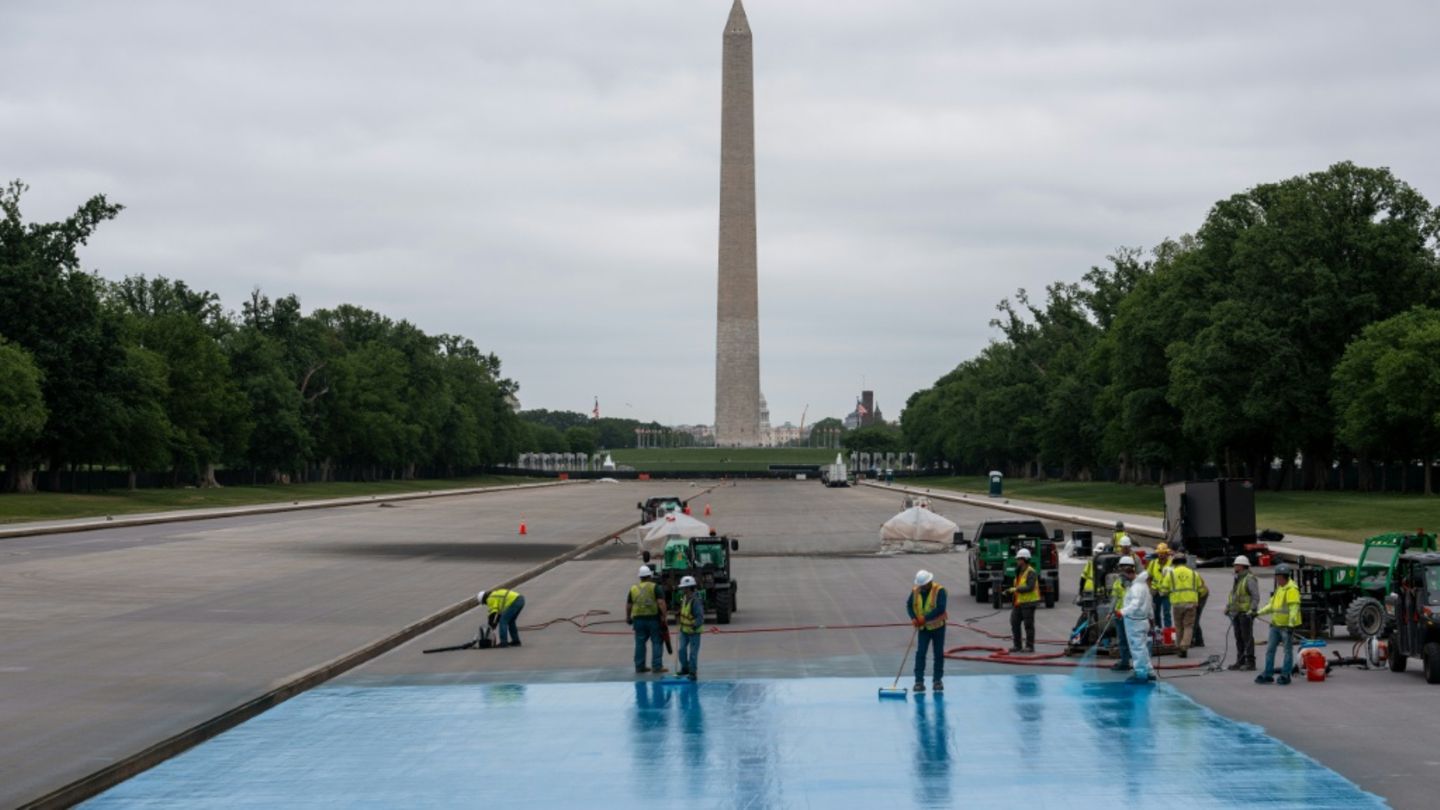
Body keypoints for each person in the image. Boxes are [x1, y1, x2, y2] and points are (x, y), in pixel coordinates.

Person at [1256, 563, 1302, 685]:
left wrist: (1291, 623)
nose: (1276, 579)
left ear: (1284, 577)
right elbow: (1272, 606)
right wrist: (1257, 613)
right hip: (1275, 625)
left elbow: (1294, 608)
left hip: (1286, 627)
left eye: (1278, 577)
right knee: (1270, 650)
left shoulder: (1292, 589)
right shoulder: (1280, 588)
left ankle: (1285, 675)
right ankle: (1268, 674)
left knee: (1287, 651)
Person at [907, 569, 948, 692]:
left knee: (938, 654)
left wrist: (924, 618)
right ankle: (919, 682)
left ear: (929, 582)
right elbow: (909, 605)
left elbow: (941, 608)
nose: (922, 587)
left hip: (938, 627)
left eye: (924, 585)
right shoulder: (915, 591)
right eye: (920, 585)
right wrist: (913, 618)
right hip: (923, 629)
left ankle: (937, 681)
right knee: (921, 653)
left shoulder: (939, 591)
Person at [627, 565, 668, 674]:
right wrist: (664, 616)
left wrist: (628, 617)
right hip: (653, 619)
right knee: (656, 641)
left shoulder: (633, 588)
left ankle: (640, 667)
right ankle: (657, 667)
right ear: (650, 576)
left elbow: (629, 605)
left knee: (640, 643)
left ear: (640, 577)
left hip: (638, 620)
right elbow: (661, 602)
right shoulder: (655, 587)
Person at [1121, 562, 1156, 684]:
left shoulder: (1136, 588)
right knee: (1143, 648)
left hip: (1134, 621)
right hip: (1143, 620)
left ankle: (1141, 673)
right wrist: (1151, 618)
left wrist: (1122, 612)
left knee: (1137, 648)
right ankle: (1149, 671)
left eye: (1125, 576)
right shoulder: (1144, 587)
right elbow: (1149, 605)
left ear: (1131, 574)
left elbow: (1135, 605)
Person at [1225, 555, 1260, 671]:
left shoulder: (1249, 578)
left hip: (1245, 613)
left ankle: (1250, 662)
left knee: (1247, 637)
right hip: (1237, 613)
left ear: (1242, 566)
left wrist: (1252, 610)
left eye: (1236, 565)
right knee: (1238, 637)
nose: (1234, 566)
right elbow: (1234, 596)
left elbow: (1255, 597)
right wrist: (1228, 607)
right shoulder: (1238, 578)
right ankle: (1240, 661)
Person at [1168, 554, 1204, 657]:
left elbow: (1164, 588)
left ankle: (1179, 647)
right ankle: (1185, 645)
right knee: (1188, 626)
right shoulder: (1193, 574)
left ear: (1175, 563)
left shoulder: (1171, 574)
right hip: (1191, 603)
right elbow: (1201, 588)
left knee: (1179, 626)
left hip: (1177, 604)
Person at [1005, 548, 1041, 653]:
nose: (1017, 561)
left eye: (1018, 559)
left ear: (1024, 559)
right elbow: (1018, 585)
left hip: (1029, 603)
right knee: (1014, 622)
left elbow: (1030, 587)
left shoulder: (1031, 572)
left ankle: (1030, 646)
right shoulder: (1019, 571)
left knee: (1028, 625)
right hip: (1019, 602)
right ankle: (1017, 645)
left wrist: (1016, 589)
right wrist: (1010, 591)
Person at [1108, 556, 1136, 671]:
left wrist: (1111, 611)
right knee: (1129, 640)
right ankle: (1129, 662)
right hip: (1126, 615)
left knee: (1126, 640)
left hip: (1125, 615)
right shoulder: (1136, 582)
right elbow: (1115, 599)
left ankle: (1128, 662)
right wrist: (1111, 612)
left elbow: (1114, 599)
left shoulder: (1122, 583)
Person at [676, 575, 704, 681]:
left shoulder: (696, 601)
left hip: (694, 631)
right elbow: (685, 611)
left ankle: (693, 672)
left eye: (684, 587)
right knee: (681, 650)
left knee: (693, 653)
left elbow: (700, 617)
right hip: (684, 630)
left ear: (689, 588)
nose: (682, 589)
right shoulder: (684, 598)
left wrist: (694, 625)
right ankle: (685, 668)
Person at [1147, 543, 1175, 629]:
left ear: (1167, 554)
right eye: (1159, 553)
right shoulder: (1153, 563)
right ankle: (1158, 629)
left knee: (1167, 612)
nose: (1161, 555)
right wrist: (1150, 588)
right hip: (1156, 592)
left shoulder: (1171, 563)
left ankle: (1168, 630)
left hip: (1166, 593)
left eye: (1163, 553)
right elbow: (1149, 577)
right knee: (1156, 612)